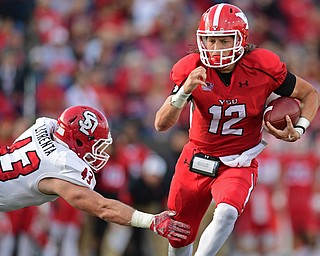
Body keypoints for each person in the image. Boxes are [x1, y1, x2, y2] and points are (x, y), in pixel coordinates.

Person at [154, 3, 320, 256]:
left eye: (223, 41)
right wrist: (183, 92)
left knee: (227, 212)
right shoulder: (192, 68)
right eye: (210, 41)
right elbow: (161, 124)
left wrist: (299, 129)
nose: (215, 48)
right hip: (196, 158)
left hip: (238, 161)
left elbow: (309, 94)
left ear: (241, 39)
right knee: (179, 235)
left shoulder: (263, 67)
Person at [0, 105, 190, 245]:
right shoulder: (62, 166)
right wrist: (151, 220)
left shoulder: (45, 127)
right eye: (95, 144)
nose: (100, 151)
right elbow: (103, 207)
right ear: (78, 142)